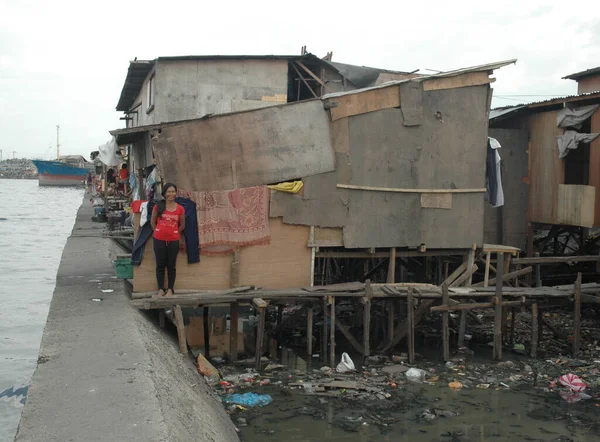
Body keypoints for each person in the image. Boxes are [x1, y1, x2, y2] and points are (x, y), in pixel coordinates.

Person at [151, 183, 185, 297]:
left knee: (171, 265)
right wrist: (158, 231)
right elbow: (152, 222)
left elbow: (182, 225)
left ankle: (170, 289)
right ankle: (161, 289)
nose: (171, 194)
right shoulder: (159, 206)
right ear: (165, 193)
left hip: (173, 241)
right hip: (159, 239)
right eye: (169, 192)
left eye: (173, 191)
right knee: (160, 265)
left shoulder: (180, 209)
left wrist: (174, 232)